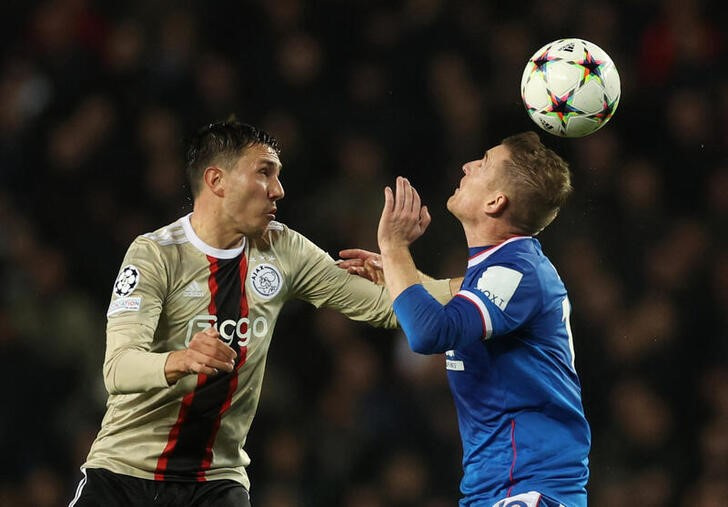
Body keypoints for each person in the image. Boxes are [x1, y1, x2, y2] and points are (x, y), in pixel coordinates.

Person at [69, 118, 454, 507]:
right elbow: (118, 369)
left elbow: (390, 308)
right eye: (264, 172)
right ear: (217, 181)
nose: (278, 190)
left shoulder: (284, 250)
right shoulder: (154, 254)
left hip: (215, 480)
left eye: (279, 175)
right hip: (124, 473)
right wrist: (181, 360)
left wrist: (465, 279)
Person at [344, 132, 590, 506]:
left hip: (531, 489)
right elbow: (453, 310)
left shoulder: (519, 269)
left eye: (484, 163)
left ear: (496, 201)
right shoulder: (501, 269)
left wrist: (394, 248)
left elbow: (431, 333)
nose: (467, 165)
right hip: (493, 489)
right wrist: (398, 274)